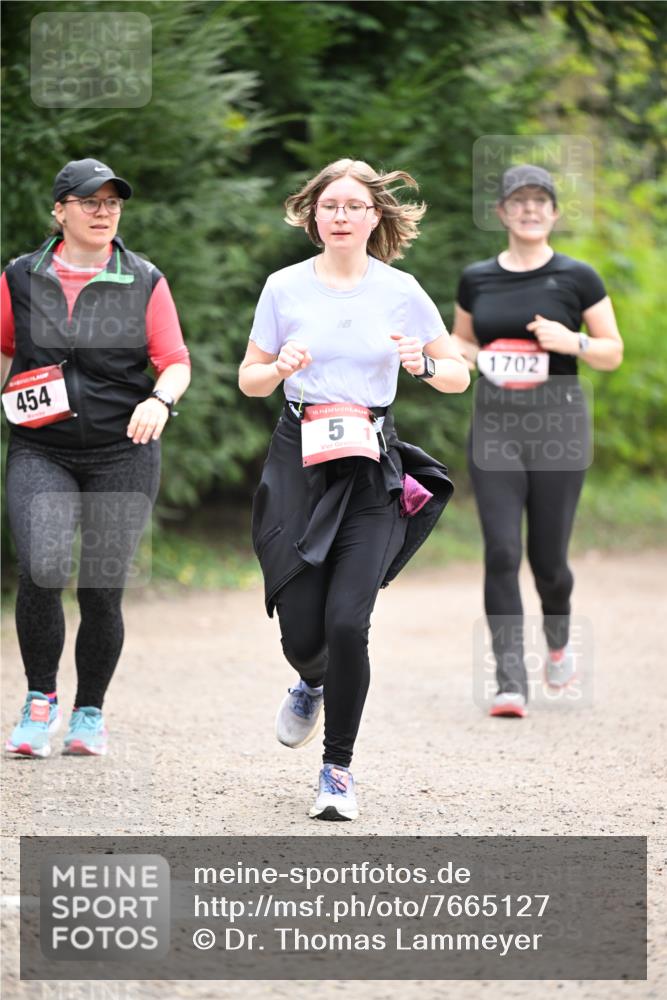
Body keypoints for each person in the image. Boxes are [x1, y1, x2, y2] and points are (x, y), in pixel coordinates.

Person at [239, 158, 469, 820]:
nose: (340, 216)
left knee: (347, 623)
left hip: (370, 464)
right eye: (329, 206)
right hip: (299, 461)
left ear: (375, 217)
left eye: (353, 206)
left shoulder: (399, 290)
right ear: (312, 216)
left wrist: (422, 363)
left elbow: (456, 372)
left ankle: (336, 771)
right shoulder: (284, 288)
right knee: (301, 630)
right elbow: (249, 378)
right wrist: (275, 367)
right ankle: (309, 680)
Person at [2, 157, 191, 757]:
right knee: (42, 566)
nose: (104, 211)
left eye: (112, 202)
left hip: (123, 450)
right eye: (90, 201)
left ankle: (89, 713)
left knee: (101, 589)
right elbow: (4, 348)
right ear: (60, 211)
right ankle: (39, 702)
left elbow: (176, 360)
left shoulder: (143, 278)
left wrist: (161, 399)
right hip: (41, 448)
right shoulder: (19, 277)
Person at [451, 164, 623, 718]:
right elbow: (459, 342)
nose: (529, 209)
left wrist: (570, 340)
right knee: (502, 550)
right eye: (518, 201)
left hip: (559, 422)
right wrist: (484, 356)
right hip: (495, 421)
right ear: (501, 212)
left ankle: (557, 641)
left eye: (540, 201)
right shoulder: (476, 278)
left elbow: (612, 351)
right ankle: (508, 682)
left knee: (548, 560)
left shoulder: (579, 277)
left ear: (553, 213)